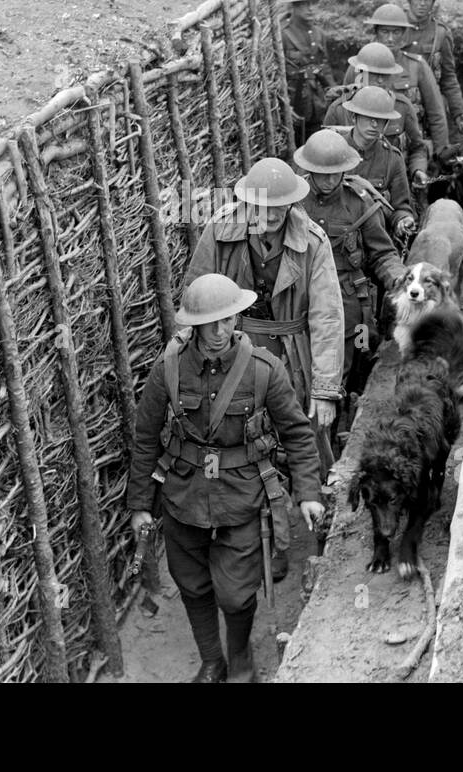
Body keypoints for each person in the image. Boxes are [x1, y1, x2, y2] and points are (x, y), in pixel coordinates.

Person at [127, 274, 325, 683]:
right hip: (184, 493)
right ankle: (212, 661)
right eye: (212, 322)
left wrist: (308, 492)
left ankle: (241, 660)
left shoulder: (263, 369)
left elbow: (297, 432)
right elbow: (145, 437)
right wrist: (139, 505)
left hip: (243, 494)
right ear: (193, 325)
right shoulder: (169, 370)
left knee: (235, 592)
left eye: (229, 319)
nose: (221, 330)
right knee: (193, 585)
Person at [183, 158, 345, 487]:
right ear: (249, 201)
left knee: (300, 430)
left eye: (281, 207)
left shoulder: (313, 242)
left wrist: (325, 389)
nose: (272, 215)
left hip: (291, 352)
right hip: (231, 348)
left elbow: (327, 316)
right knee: (229, 430)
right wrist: (186, 364)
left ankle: (313, 503)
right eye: (263, 206)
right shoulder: (221, 229)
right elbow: (196, 296)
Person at [294, 130, 403, 446]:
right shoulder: (294, 202)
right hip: (299, 307)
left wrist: (398, 278)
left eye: (336, 174)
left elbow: (383, 253)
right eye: (322, 175)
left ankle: (329, 443)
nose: (329, 182)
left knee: (344, 372)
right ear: (309, 171)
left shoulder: (359, 204)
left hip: (348, 309)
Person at [336, 7, 451, 157]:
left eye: (396, 32)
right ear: (376, 32)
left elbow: (436, 112)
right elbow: (343, 108)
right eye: (385, 32)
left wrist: (441, 153)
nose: (390, 38)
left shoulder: (416, 66)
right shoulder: (359, 66)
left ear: (404, 34)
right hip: (362, 149)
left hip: (407, 148)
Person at [326, 85, 419, 245]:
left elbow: (400, 206)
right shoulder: (330, 150)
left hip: (376, 243)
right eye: (368, 118)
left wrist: (403, 220)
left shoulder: (392, 158)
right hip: (335, 242)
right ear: (354, 117)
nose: (375, 124)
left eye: (381, 120)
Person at [401, 0, 463, 142]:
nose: (422, 3)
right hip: (398, 99)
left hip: (429, 103)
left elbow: (448, 78)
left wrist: (458, 112)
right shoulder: (394, 27)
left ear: (433, 2)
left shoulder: (440, 34)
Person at [280, 0, 336, 145]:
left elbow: (325, 68)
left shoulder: (319, 35)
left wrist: (333, 96)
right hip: (294, 105)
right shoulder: (283, 36)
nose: (311, 8)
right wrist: (285, 107)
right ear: (295, 7)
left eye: (314, 4)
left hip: (317, 105)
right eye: (305, 4)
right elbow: (275, 77)